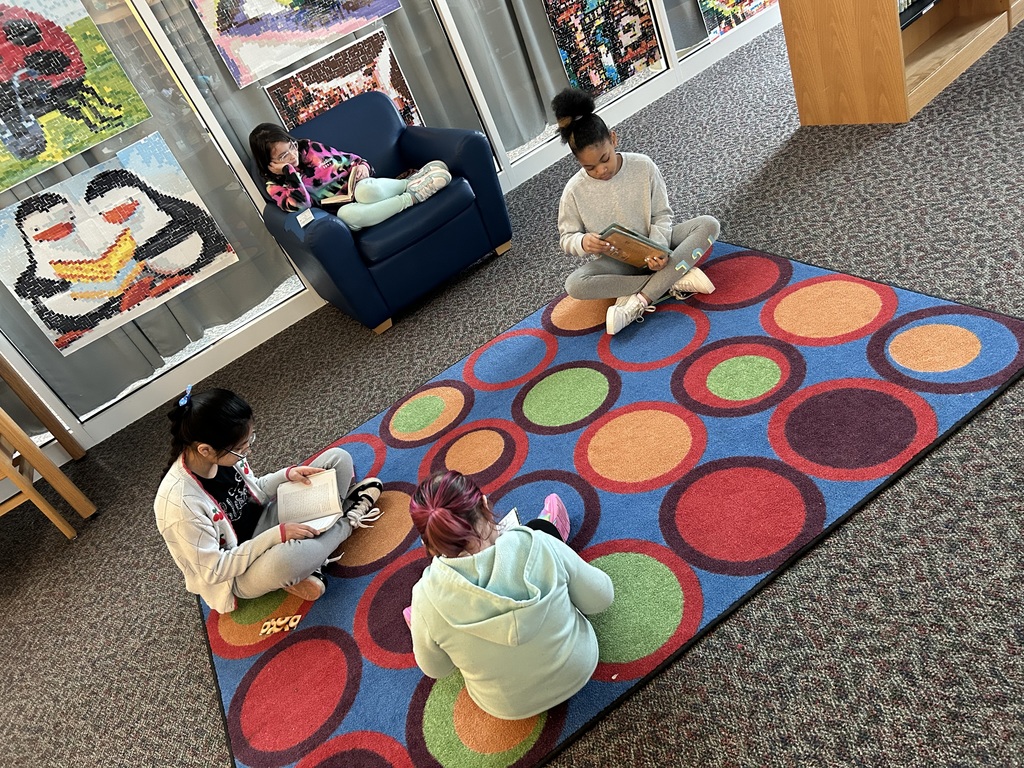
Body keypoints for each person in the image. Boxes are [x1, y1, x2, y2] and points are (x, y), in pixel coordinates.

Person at [154, 387, 384, 612]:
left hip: (268, 518)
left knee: (338, 460)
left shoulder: (223, 457)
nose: (248, 452)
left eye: (248, 442)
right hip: (237, 572)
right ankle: (346, 520)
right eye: (241, 448)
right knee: (289, 562)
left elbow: (256, 491)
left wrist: (287, 475)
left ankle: (313, 557)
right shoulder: (180, 505)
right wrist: (277, 536)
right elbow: (215, 570)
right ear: (205, 450)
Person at [407, 470, 614, 720]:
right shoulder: (538, 543)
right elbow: (601, 598)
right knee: (537, 531)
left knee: (430, 619)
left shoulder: (424, 596)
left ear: (427, 545)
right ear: (484, 505)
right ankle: (549, 525)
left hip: (507, 706)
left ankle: (423, 626)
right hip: (578, 666)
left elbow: (436, 668)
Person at [553, 87, 722, 335]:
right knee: (575, 285)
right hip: (617, 262)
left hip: (658, 247)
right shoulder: (573, 191)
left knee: (708, 224)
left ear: (613, 139)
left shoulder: (643, 166)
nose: (601, 170)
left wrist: (658, 249)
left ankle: (639, 300)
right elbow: (567, 238)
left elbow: (662, 216)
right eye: (590, 167)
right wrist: (583, 242)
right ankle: (673, 279)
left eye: (604, 159)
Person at [248, 122, 452, 230]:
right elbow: (302, 206)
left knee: (365, 191)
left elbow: (350, 159)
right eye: (284, 155)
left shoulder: (308, 147)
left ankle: (407, 184)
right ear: (269, 163)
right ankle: (413, 195)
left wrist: (362, 165)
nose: (293, 154)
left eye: (291, 146)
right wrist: (289, 172)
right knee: (347, 216)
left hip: (363, 188)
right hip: (344, 208)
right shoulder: (273, 184)